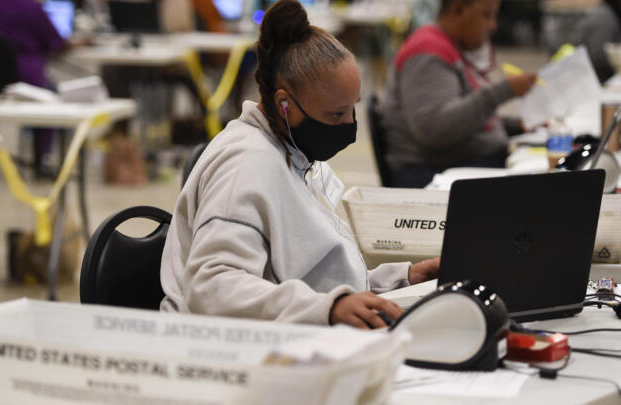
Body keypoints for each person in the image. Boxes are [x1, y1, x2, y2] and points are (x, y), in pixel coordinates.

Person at [160, 0, 439, 329]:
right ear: (284, 104)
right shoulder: (244, 165)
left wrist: (399, 279)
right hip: (220, 351)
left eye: (353, 109)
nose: (350, 125)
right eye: (336, 114)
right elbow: (213, 288)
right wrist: (329, 309)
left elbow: (311, 275)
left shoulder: (292, 152)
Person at [381, 0, 537, 188]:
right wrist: (504, 90)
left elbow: (463, 117)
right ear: (459, 10)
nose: (492, 25)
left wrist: (515, 125)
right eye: (486, 15)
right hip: (432, 174)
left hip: (458, 165)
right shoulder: (428, 51)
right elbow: (434, 128)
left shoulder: (447, 45)